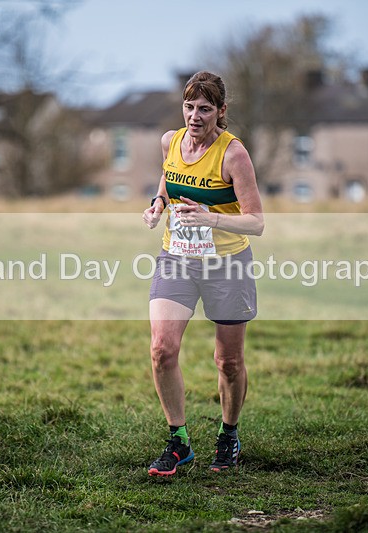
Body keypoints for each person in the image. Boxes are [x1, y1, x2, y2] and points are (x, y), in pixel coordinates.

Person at [142, 71, 264, 476]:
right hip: (176, 257)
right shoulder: (171, 141)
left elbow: (256, 222)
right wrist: (158, 202)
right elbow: (169, 177)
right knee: (162, 350)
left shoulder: (234, 155)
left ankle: (228, 435)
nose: (194, 116)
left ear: (221, 111)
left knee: (227, 361)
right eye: (189, 107)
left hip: (226, 264)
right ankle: (178, 442)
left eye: (205, 109)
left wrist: (210, 218)